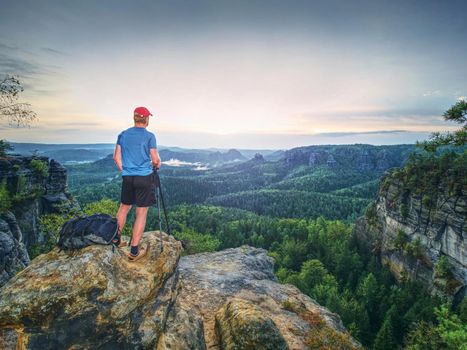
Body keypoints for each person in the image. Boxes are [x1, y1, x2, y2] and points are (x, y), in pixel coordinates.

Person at [113, 106, 161, 261]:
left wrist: (125, 169)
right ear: (146, 119)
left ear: (134, 118)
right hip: (144, 177)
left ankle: (116, 240)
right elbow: (154, 159)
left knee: (124, 208)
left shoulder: (123, 134)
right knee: (141, 212)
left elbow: (116, 157)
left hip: (128, 176)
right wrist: (157, 164)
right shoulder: (149, 136)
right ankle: (134, 251)